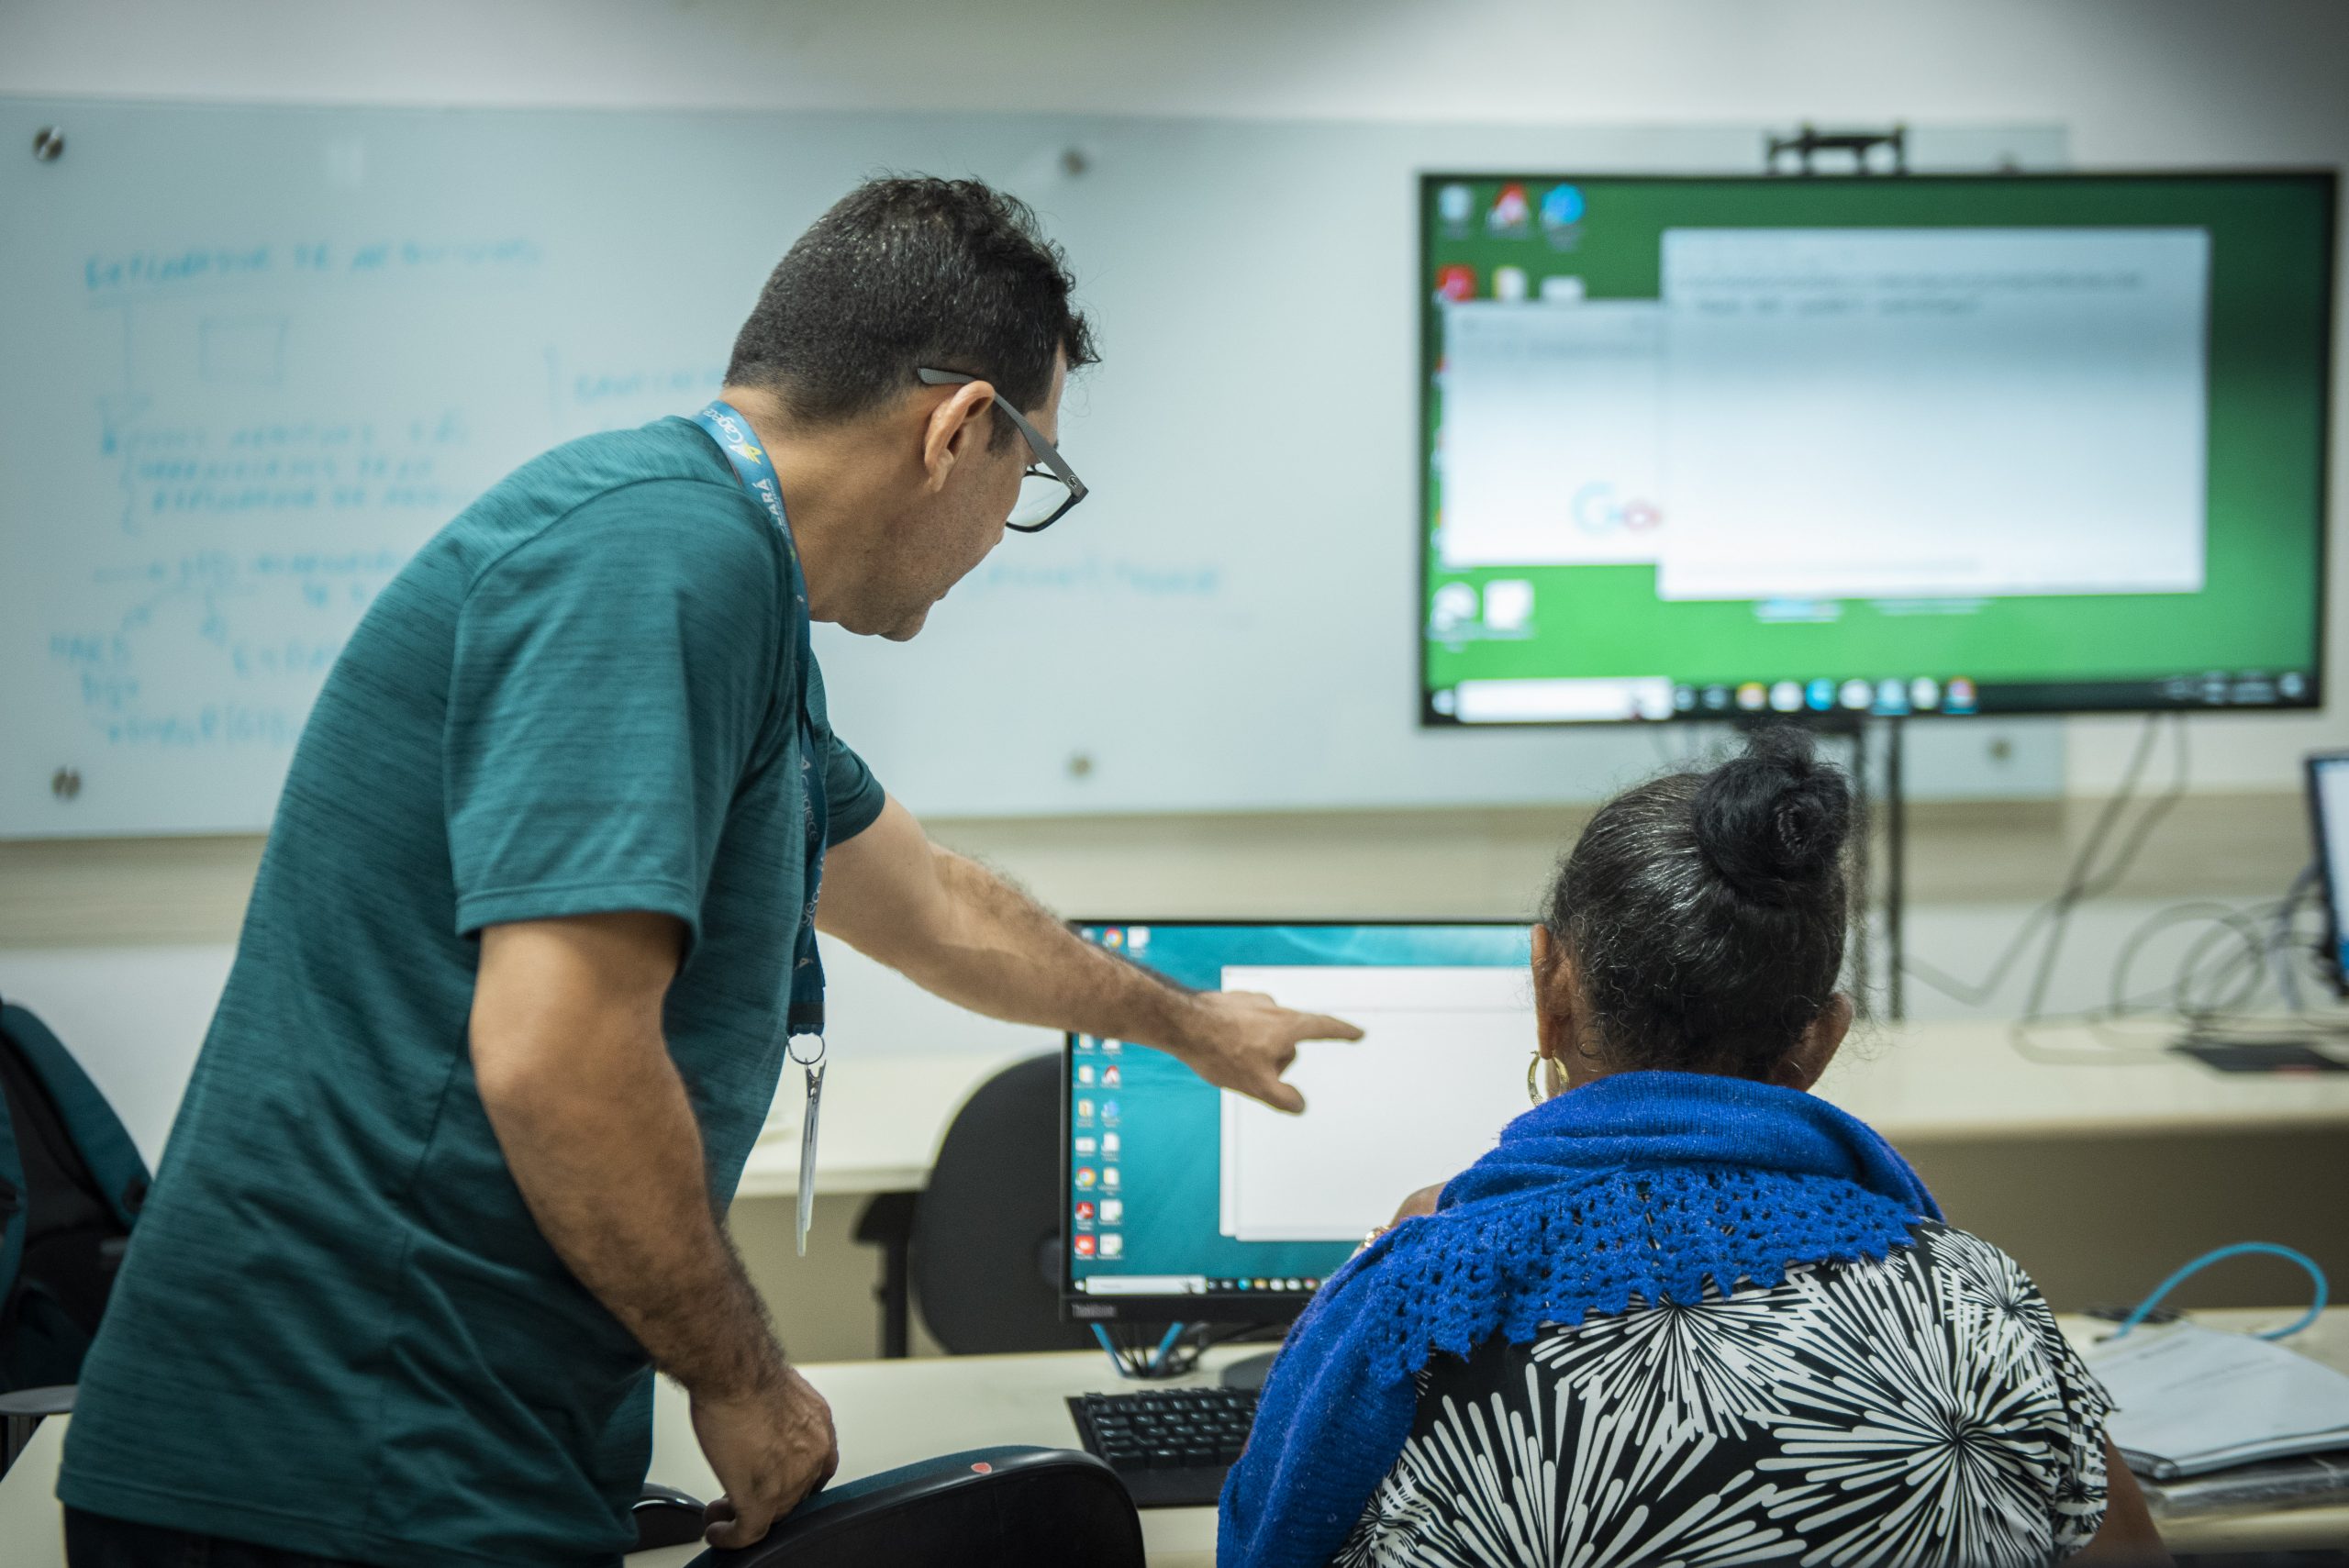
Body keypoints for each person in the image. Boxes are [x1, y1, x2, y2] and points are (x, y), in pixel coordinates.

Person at [57, 177, 1359, 1568]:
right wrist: (742, 1377)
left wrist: (1188, 1022)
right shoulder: (660, 557)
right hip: (336, 1461)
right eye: (1029, 478)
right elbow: (558, 1054)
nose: (1001, 533)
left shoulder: (722, 579)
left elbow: (930, 909)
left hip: (440, 1440)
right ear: (959, 428)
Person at [1221, 729, 2167, 1567]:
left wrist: (1405, 1261)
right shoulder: (1984, 1302)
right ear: (1822, 1037)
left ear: (1550, 992)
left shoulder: (1416, 1306)